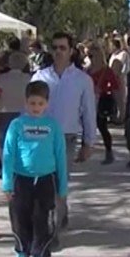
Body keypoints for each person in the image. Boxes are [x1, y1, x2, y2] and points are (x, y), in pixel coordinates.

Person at [31, 32, 97, 240]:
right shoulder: (40, 77)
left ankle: (53, 231)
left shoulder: (82, 80)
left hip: (66, 138)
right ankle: (58, 218)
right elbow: (28, 109)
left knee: (58, 184)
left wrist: (89, 142)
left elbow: (88, 112)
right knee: (45, 185)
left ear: (71, 51)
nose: (58, 52)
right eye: (55, 47)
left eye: (63, 48)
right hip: (41, 137)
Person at [2, 81, 67, 257]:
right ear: (25, 103)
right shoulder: (17, 125)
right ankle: (22, 251)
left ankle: (42, 256)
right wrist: (6, 182)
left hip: (46, 179)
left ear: (46, 104)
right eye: (32, 103)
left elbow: (60, 156)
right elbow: (8, 154)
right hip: (21, 180)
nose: (36, 108)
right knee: (20, 217)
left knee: (42, 219)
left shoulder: (53, 126)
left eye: (40, 103)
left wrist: (62, 186)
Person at [86, 46, 120, 165]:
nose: (90, 58)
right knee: (85, 126)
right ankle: (84, 150)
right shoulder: (87, 70)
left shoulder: (106, 71)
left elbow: (115, 87)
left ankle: (109, 152)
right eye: (89, 56)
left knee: (102, 127)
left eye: (92, 55)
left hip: (101, 101)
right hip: (88, 101)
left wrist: (119, 106)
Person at [0, 52, 32, 156]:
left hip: (4, 111)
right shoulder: (28, 78)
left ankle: (5, 164)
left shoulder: (1, 78)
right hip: (22, 112)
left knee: (4, 141)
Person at [109, 39, 130, 122]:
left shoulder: (123, 54)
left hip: (120, 78)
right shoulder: (113, 55)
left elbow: (119, 65)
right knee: (114, 97)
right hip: (112, 78)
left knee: (121, 98)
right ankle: (113, 116)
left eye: (111, 45)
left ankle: (122, 117)